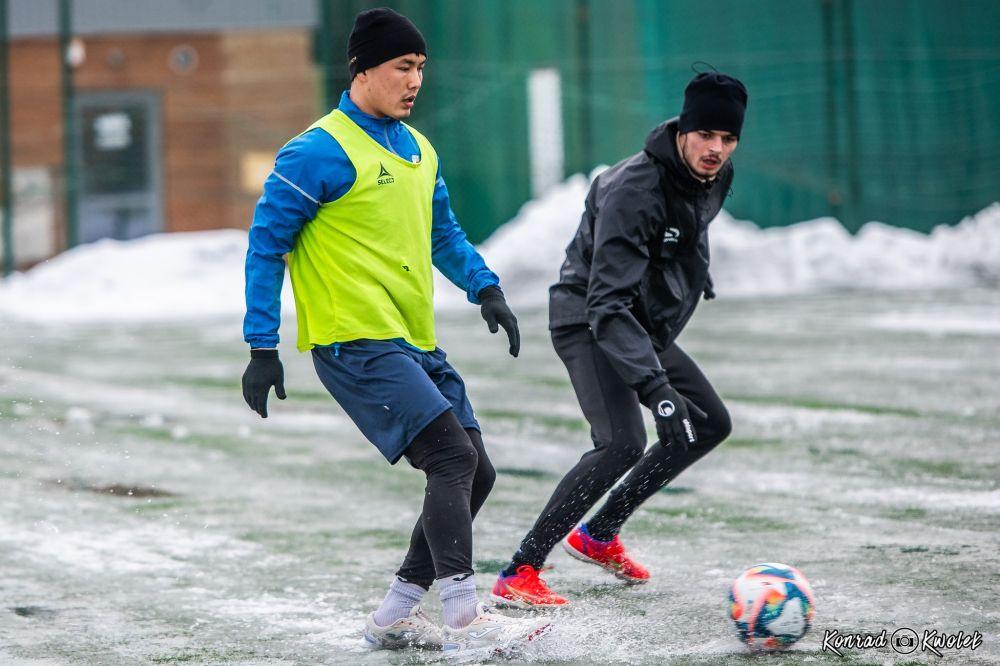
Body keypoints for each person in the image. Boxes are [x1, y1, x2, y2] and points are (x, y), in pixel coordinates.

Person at [240, 7, 550, 652]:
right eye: (403, 67)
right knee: (450, 457)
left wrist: (485, 287)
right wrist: (261, 345)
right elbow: (266, 247)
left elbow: (443, 234)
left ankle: (396, 614)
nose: (415, 81)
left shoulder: (418, 148)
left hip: (411, 340)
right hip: (352, 341)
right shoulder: (315, 151)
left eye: (421, 70)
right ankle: (464, 614)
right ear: (362, 69)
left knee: (478, 472)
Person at [492, 71, 748, 607]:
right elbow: (605, 303)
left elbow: (682, 233)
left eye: (728, 140)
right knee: (622, 442)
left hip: (641, 324)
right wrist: (655, 386)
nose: (716, 150)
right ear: (684, 130)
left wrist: (693, 275)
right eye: (707, 136)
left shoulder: (713, 176)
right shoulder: (633, 188)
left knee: (707, 424)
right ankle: (521, 571)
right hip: (589, 321)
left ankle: (599, 533)